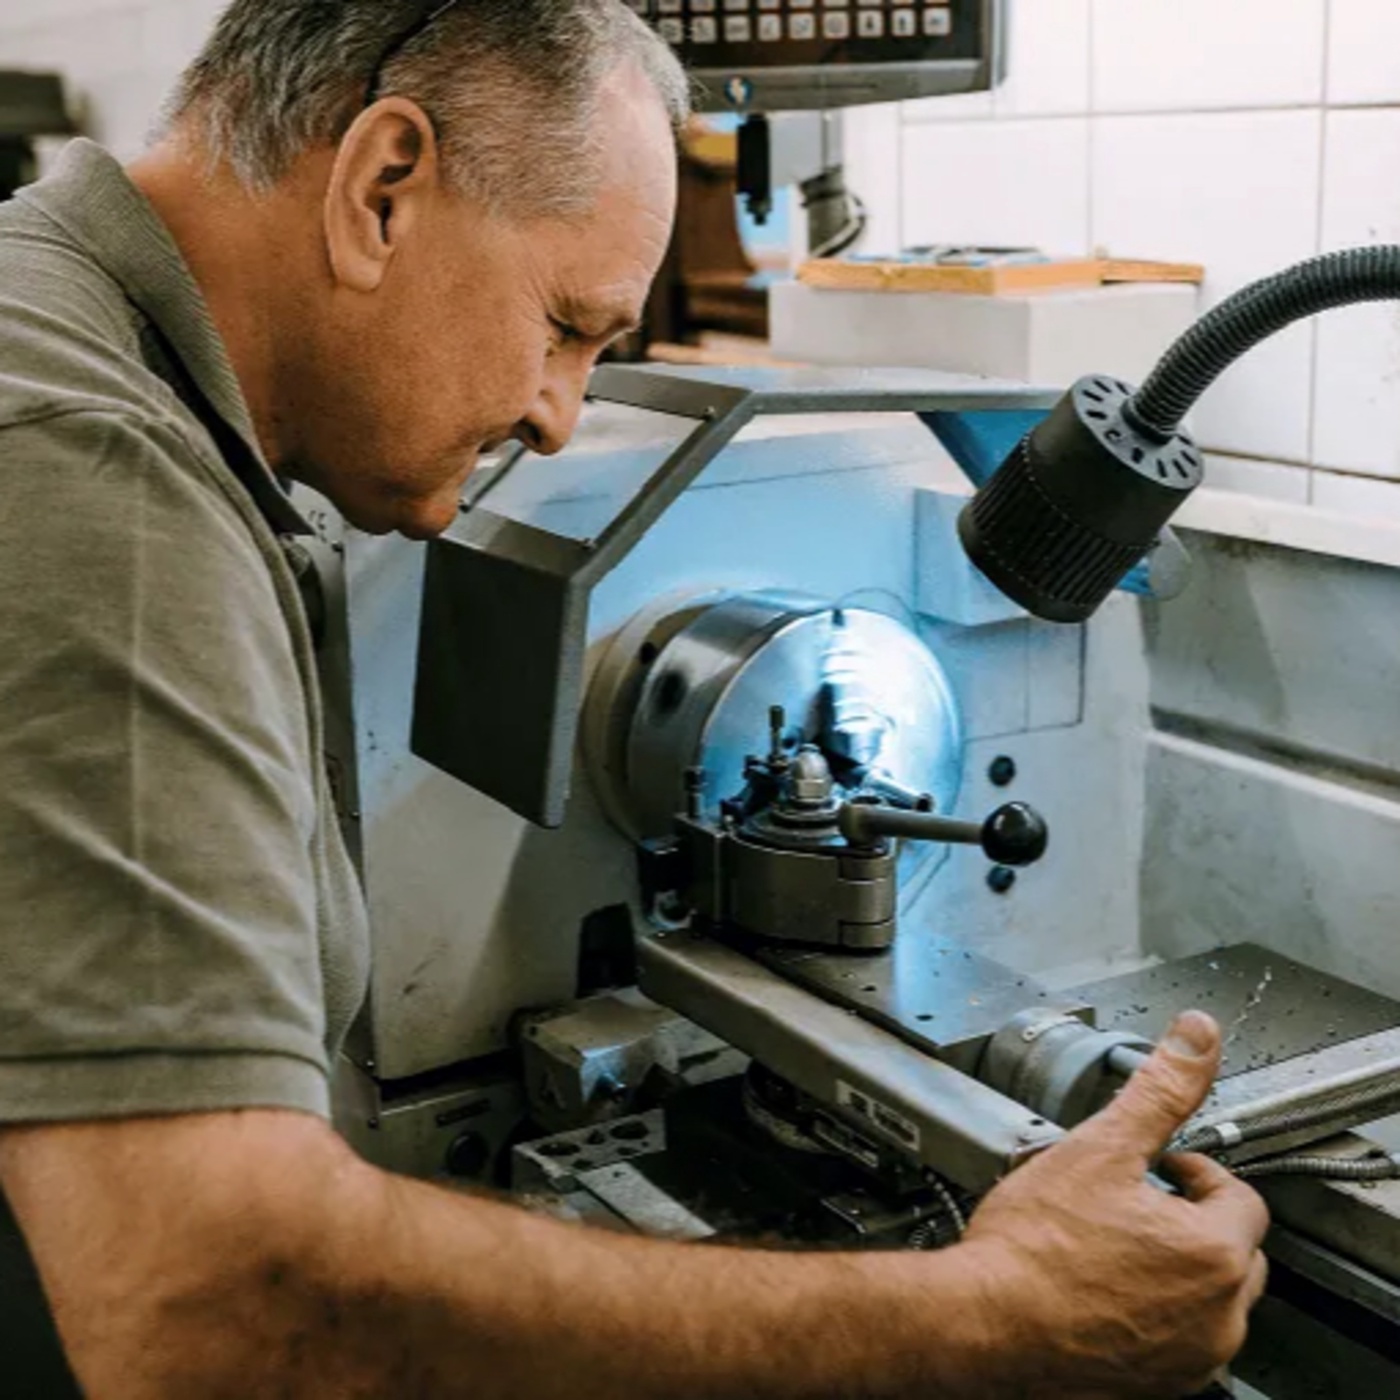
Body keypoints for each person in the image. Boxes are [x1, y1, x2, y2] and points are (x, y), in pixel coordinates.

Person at [0, 2, 1269, 1395]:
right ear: (382, 189)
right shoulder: (90, 470)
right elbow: (215, 1306)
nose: (557, 417)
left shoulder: (78, 346)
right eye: (564, 327)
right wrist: (993, 1312)